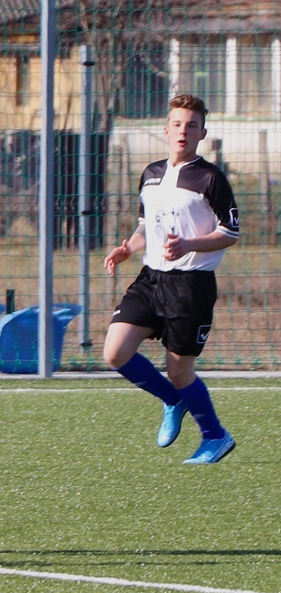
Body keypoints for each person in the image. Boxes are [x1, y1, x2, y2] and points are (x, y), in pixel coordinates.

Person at [103, 93, 239, 464]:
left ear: (202, 133)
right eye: (177, 124)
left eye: (191, 125)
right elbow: (147, 226)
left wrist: (190, 244)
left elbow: (231, 231)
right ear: (166, 130)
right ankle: (172, 400)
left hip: (190, 285)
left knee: (180, 370)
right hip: (151, 280)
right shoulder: (150, 174)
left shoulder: (210, 178)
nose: (183, 131)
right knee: (114, 352)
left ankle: (215, 436)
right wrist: (127, 248)